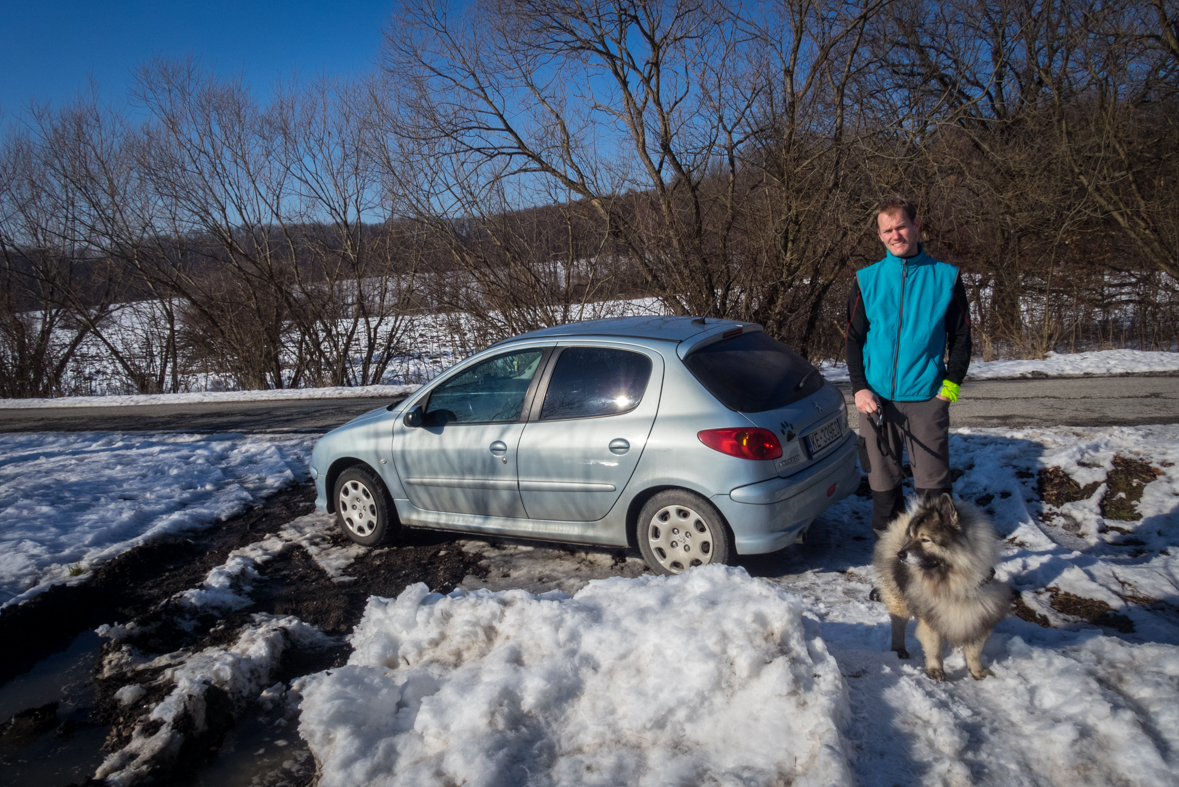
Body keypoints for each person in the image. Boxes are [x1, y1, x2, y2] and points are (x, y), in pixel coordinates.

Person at [845, 198, 972, 537]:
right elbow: (853, 340)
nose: (895, 234)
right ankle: (892, 577)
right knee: (884, 496)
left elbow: (961, 337)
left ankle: (935, 579)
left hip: (927, 399)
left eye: (901, 226)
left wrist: (950, 388)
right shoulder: (866, 280)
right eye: (887, 230)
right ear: (879, 235)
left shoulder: (945, 277)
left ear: (916, 226)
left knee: (933, 498)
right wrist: (859, 387)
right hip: (876, 403)